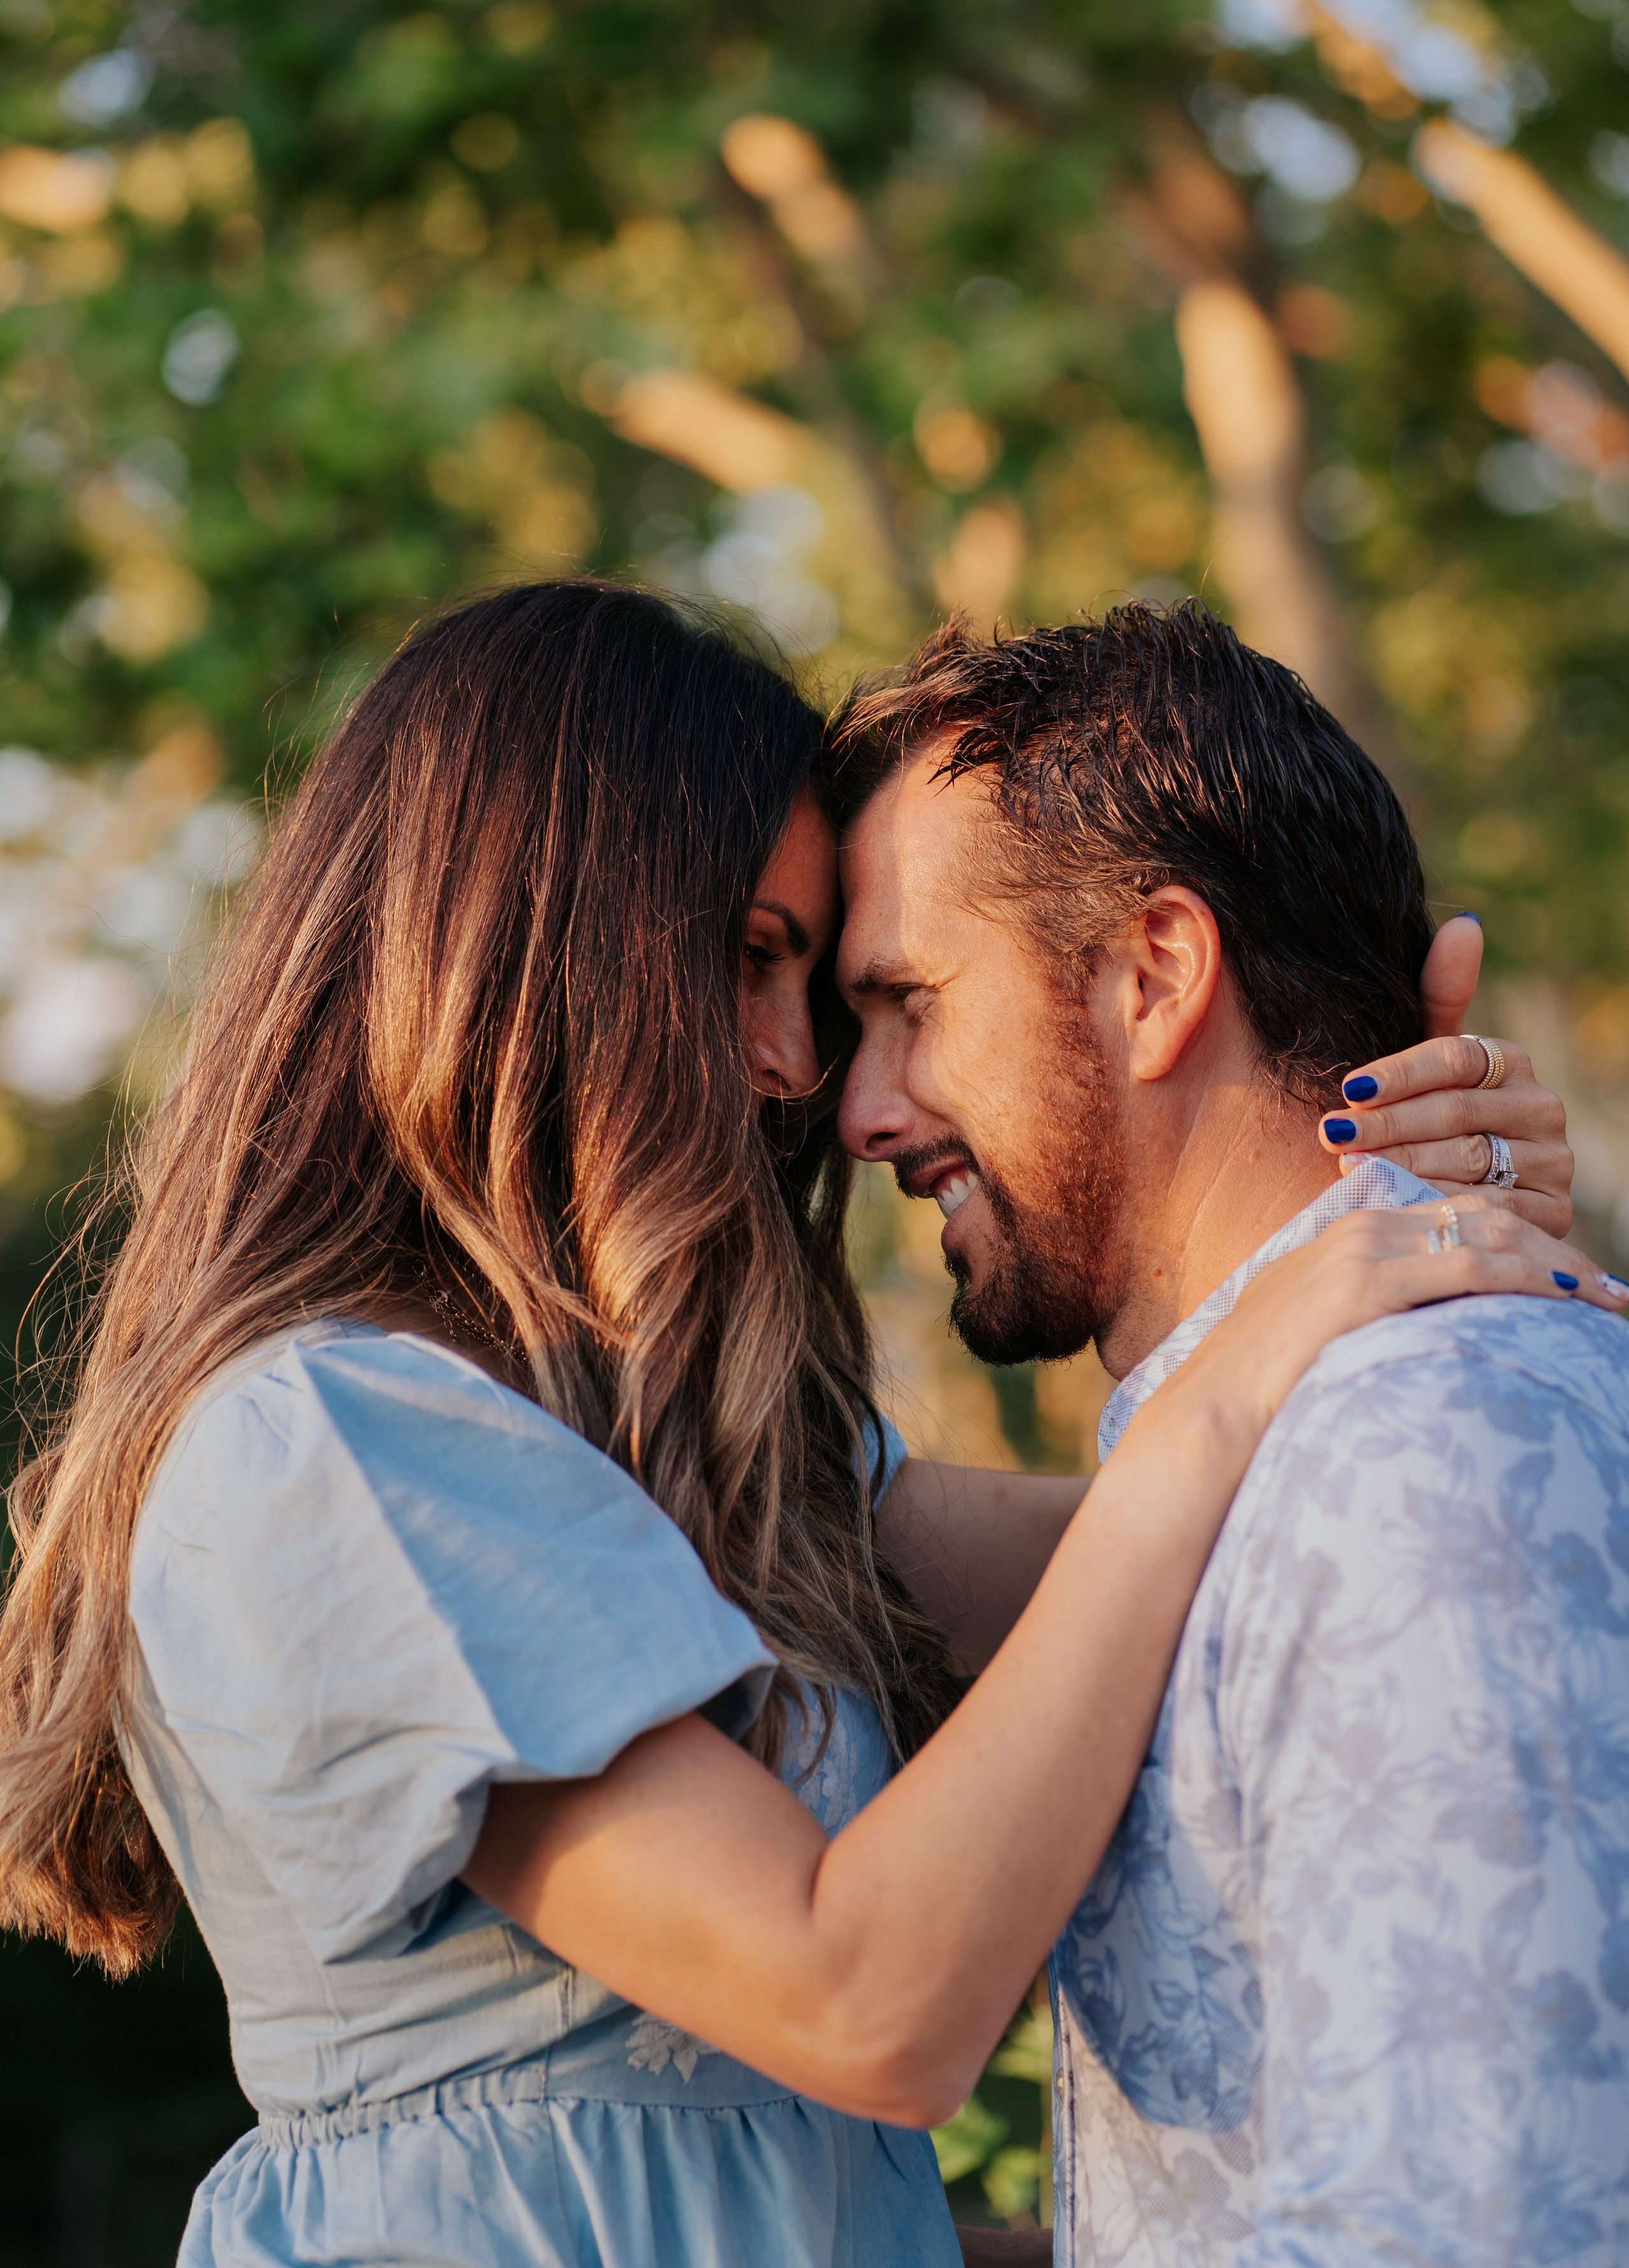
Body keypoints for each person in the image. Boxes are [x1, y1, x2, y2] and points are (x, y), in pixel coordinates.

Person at [0, 583, 1598, 2268]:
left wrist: (1405, 1249)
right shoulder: (328, 1446)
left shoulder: (658, 1450)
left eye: (841, 998)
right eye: (753, 963)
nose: (799, 1073)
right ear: (527, 947)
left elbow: (1237, 1557)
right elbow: (866, 2004)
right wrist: (1234, 1388)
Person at [829, 597, 1629, 2268]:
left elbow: (1481, 2223)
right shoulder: (1281, 1451)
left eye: (908, 1002)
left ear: (1156, 975)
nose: (865, 1109)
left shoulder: (1424, 1451)